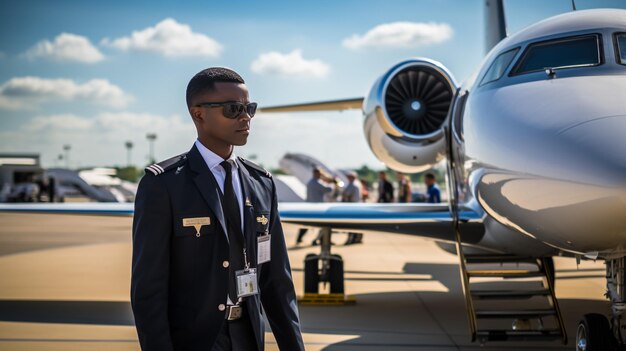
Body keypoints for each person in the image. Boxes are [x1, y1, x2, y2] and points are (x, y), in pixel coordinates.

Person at [131, 67, 305, 351]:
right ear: (198, 114)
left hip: (248, 337)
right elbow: (148, 290)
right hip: (194, 341)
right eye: (233, 109)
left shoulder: (261, 183)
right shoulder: (164, 185)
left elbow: (277, 281)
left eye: (250, 108)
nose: (245, 117)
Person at [295, 168, 334, 245]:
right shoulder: (316, 182)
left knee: (306, 223)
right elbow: (328, 189)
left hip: (310, 205)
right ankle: (320, 239)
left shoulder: (311, 182)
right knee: (321, 224)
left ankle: (300, 238)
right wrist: (331, 183)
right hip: (316, 206)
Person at [341, 172, 363, 245]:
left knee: (350, 224)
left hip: (352, 206)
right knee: (356, 224)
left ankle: (351, 239)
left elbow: (346, 195)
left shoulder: (352, 185)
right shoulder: (357, 184)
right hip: (356, 205)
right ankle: (356, 238)